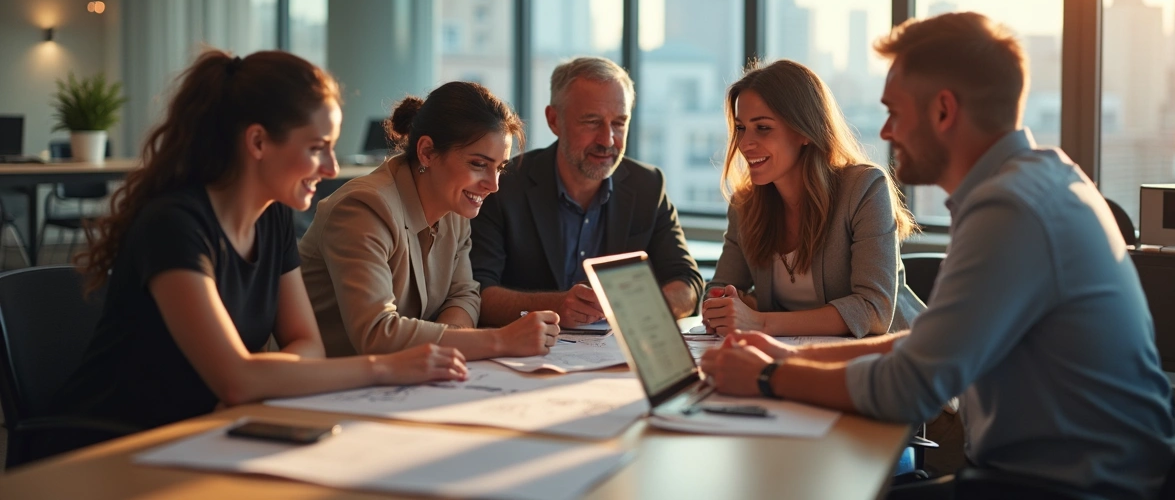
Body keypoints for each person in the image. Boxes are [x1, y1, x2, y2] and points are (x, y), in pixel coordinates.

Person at [701, 13, 1175, 500]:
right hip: (1066, 476)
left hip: (1069, 489)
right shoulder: (1037, 182)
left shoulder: (1013, 209)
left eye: (894, 112)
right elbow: (923, 345)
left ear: (944, 111)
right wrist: (786, 354)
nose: (886, 131)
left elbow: (909, 384)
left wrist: (768, 375)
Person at [55, 50, 467, 438]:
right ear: (257, 142)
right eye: (316, 148)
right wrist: (385, 367)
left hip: (212, 431)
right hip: (110, 443)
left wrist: (254, 377)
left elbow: (308, 347)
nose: (331, 168)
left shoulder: (271, 217)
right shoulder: (174, 225)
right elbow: (236, 380)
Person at [299, 82, 560, 359]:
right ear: (426, 152)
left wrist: (453, 344)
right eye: (478, 164)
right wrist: (498, 340)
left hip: (401, 376)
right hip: (324, 378)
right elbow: (376, 333)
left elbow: (464, 295)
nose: (493, 185)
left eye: (499, 168)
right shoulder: (364, 207)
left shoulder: (454, 208)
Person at [471, 57, 704, 328]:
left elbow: (688, 283)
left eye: (619, 123)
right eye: (592, 122)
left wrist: (635, 310)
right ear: (554, 120)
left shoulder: (647, 186)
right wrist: (556, 306)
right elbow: (478, 293)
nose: (607, 140)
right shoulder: (503, 185)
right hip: (525, 347)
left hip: (616, 348)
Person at [703, 60, 923, 338]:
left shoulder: (864, 188)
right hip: (792, 354)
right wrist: (724, 305)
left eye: (763, 128)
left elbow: (874, 310)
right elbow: (719, 288)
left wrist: (760, 321)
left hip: (892, 355)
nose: (745, 144)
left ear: (804, 131)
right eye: (741, 128)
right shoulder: (745, 205)